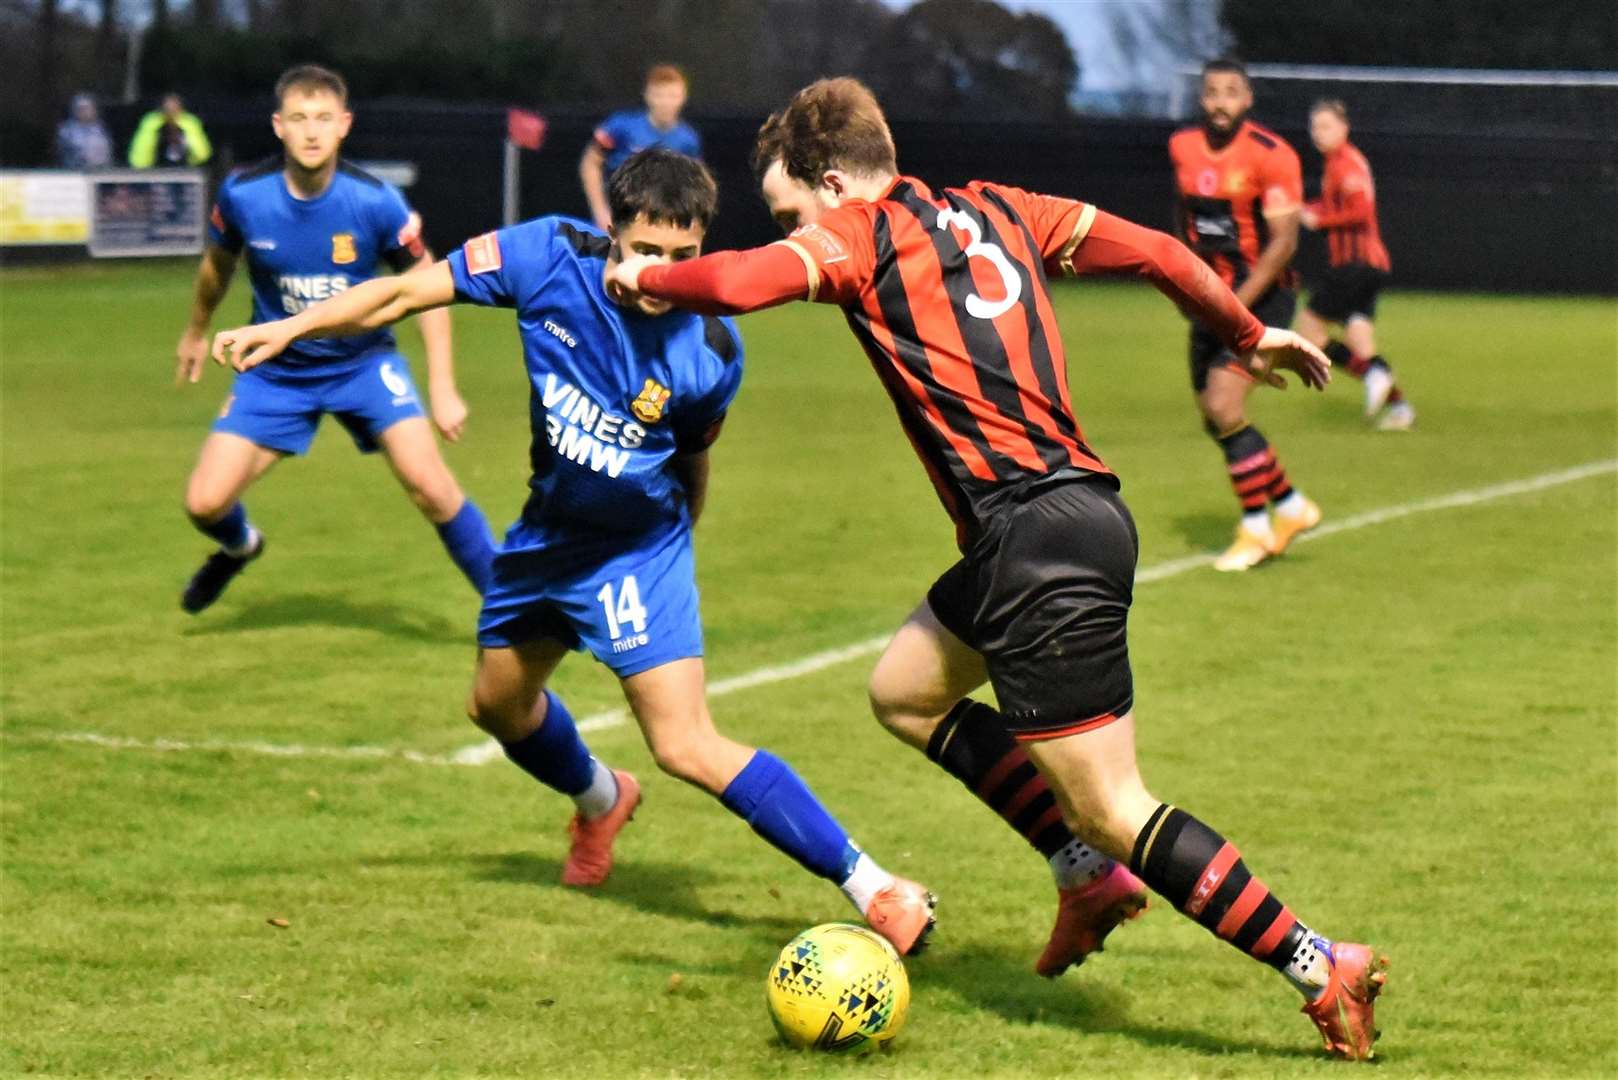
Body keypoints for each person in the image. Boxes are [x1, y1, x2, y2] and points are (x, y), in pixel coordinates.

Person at [605, 77, 1388, 1061]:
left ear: (835, 180)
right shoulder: (1000, 209)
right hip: (1061, 519)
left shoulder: (858, 232)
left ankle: (1320, 964)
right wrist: (1243, 329)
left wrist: (639, 278)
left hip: (1033, 540)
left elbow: (733, 283)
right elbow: (1154, 250)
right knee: (904, 692)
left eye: (788, 212)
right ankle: (1081, 876)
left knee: (1112, 805)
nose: (788, 232)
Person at [209, 148, 939, 958]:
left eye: (683, 258)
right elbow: (406, 291)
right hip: (544, 537)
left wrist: (675, 548)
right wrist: (290, 325)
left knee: (684, 744)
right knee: (495, 708)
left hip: (634, 553)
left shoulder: (711, 349)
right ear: (611, 233)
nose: (659, 274)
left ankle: (876, 888)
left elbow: (693, 455)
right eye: (645, 252)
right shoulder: (547, 255)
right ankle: (601, 799)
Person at [173, 64, 493, 613]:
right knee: (204, 503)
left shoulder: (375, 202)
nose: (312, 131)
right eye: (299, 118)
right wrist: (196, 331)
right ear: (279, 126)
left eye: (324, 118)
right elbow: (215, 270)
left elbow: (429, 285)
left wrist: (443, 385)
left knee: (431, 486)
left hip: (363, 365)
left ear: (344, 124)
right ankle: (241, 546)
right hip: (277, 369)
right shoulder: (244, 196)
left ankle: (518, 611)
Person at [1169, 59, 1320, 572]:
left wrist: (1235, 306)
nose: (1219, 102)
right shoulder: (1183, 148)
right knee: (1214, 419)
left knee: (1226, 407)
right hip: (1209, 299)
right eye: (1211, 92)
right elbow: (1183, 220)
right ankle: (1292, 506)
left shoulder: (1272, 155)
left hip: (1262, 299)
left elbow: (1283, 244)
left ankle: (1256, 528)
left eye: (1231, 92)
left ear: (1248, 98)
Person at [1299, 99, 1415, 431]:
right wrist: (1304, 207)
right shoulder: (1338, 164)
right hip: (1370, 266)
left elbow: (1360, 210)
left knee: (1308, 332)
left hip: (1354, 264)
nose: (1318, 133)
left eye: (1326, 126)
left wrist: (1319, 220)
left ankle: (1373, 375)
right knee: (1361, 343)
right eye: (1315, 127)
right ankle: (1400, 409)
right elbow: (1332, 203)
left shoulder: (1345, 164)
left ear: (1344, 128)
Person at [580, 65, 701, 231]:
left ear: (683, 97)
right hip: (618, 219)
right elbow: (590, 164)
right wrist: (600, 211)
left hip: (661, 225)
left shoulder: (688, 140)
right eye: (659, 95)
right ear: (647, 95)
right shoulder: (620, 126)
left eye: (672, 96)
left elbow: (693, 185)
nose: (665, 102)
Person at [129, 93, 212, 168]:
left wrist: (188, 128)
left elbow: (203, 155)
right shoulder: (152, 125)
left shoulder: (189, 125)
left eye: (175, 108)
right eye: (167, 109)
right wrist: (153, 128)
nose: (171, 112)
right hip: (155, 172)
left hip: (186, 173)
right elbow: (138, 161)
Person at [56, 93, 113, 169]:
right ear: (74, 110)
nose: (85, 112)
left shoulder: (100, 129)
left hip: (101, 172)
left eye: (88, 108)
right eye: (81, 109)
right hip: (75, 172)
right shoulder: (66, 131)